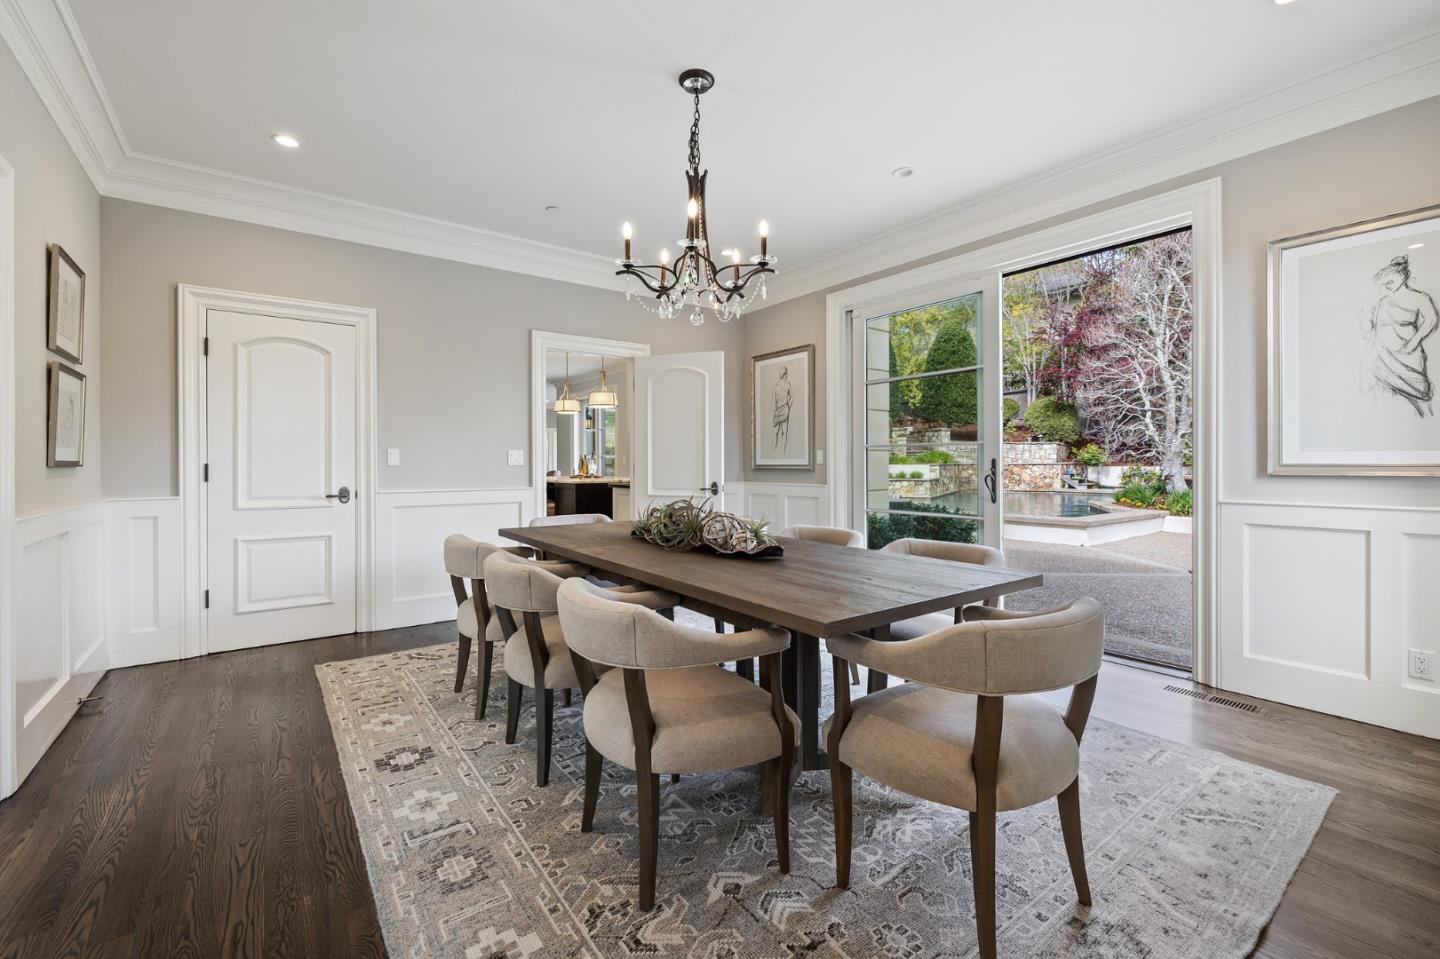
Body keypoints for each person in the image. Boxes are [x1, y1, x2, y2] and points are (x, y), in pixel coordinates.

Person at [1363, 255, 1440, 417]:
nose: (1387, 287)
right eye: (1384, 284)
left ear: (1403, 276)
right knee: (1387, 401)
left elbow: (1432, 319)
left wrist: (1414, 341)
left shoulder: (1420, 298)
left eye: (1390, 282)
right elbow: (1371, 329)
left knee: (1418, 396)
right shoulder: (1382, 302)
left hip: (1408, 354)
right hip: (1383, 358)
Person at [771, 367, 793, 452]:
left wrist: (775, 411)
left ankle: (775, 452)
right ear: (785, 375)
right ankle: (781, 452)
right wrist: (787, 407)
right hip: (784, 409)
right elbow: (792, 398)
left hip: (778, 410)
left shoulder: (775, 387)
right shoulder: (788, 385)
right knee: (784, 433)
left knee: (775, 432)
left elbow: (773, 402)